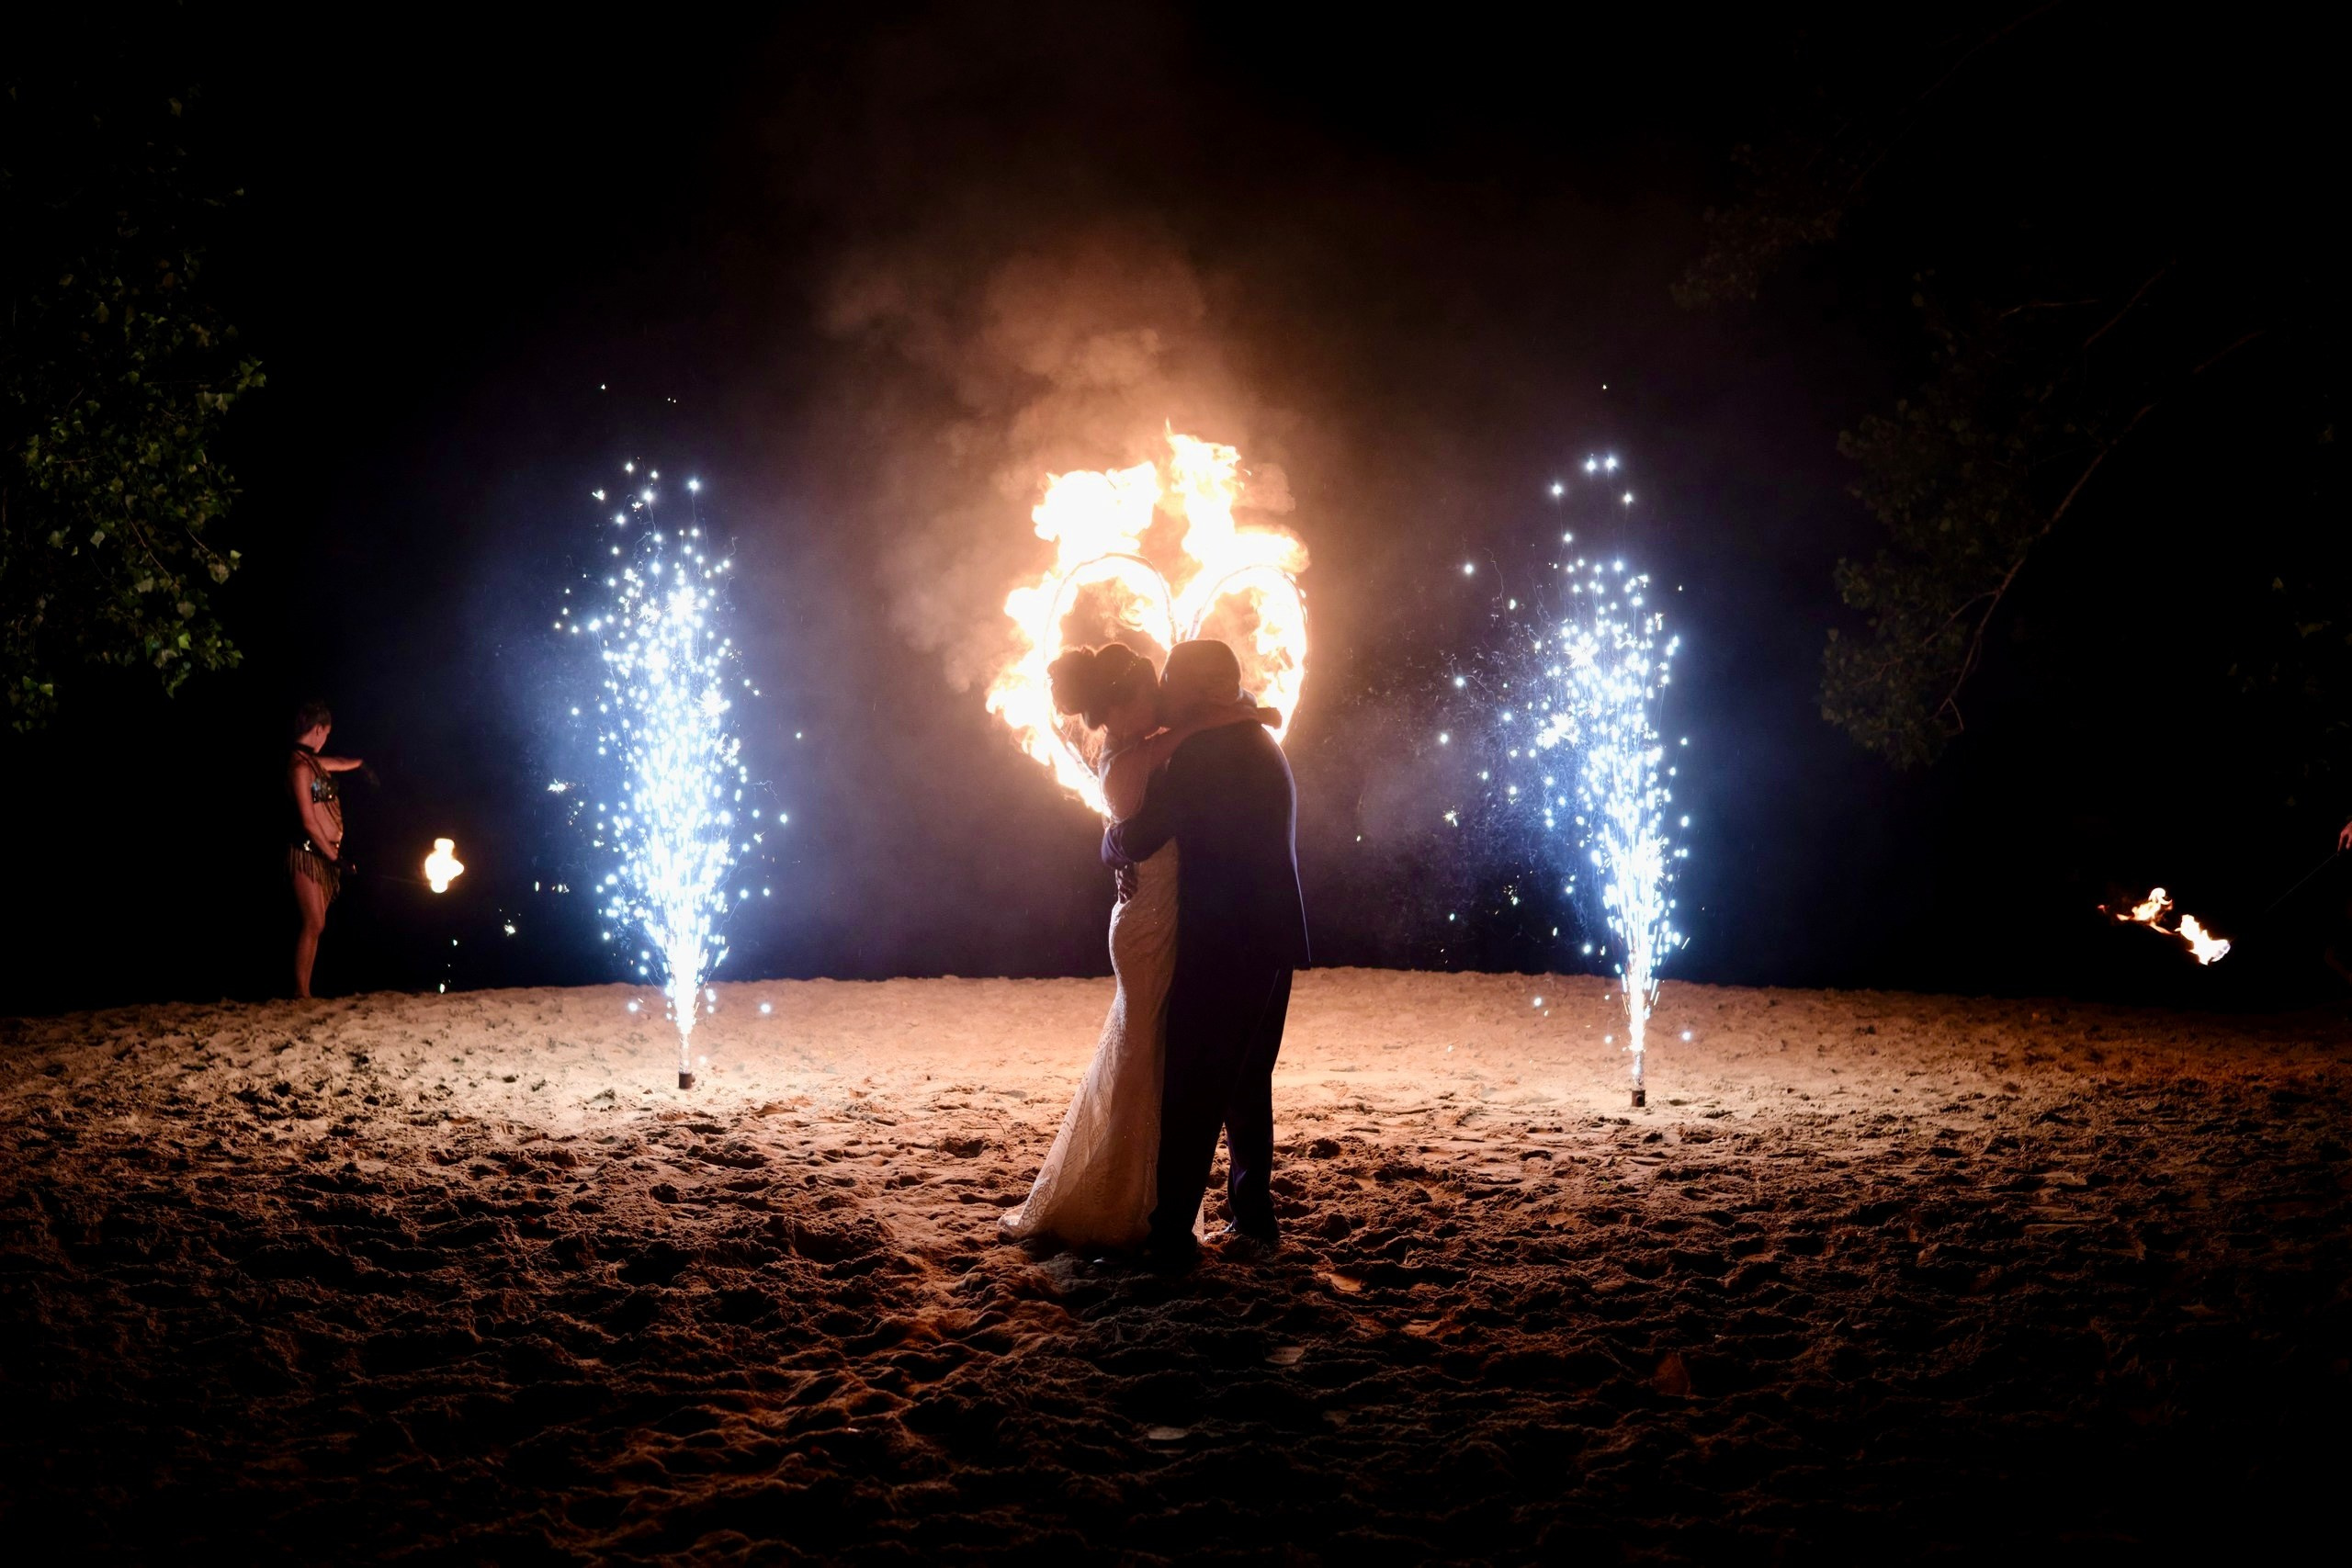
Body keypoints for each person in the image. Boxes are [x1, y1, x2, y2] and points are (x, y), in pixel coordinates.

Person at [998, 644, 1274, 1253]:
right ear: (1122, 708)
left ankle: (1160, 1207)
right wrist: (1236, 712)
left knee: (1166, 1064)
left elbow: (1145, 815)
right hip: (1155, 926)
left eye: (1165, 692)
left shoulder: (1171, 745)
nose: (1163, 704)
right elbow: (1136, 827)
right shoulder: (1155, 749)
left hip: (1179, 922)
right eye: (1153, 694)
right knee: (1160, 1063)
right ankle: (1146, 1204)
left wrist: (1238, 711)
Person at [1104, 638, 1310, 1271]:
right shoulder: (1259, 740)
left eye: (1173, 678)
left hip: (1225, 938)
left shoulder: (1204, 752)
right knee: (1247, 1080)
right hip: (1274, 934)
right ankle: (1253, 1218)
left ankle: (1169, 1235)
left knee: (1192, 1084)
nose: (1163, 687)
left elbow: (1141, 833)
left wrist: (1111, 844)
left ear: (1197, 689)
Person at [288, 698, 363, 999]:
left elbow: (342, 763)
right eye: (327, 734)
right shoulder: (298, 767)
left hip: (324, 854)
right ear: (318, 729)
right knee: (314, 921)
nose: (327, 740)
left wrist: (366, 765)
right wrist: (336, 857)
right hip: (307, 853)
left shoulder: (313, 762)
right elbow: (307, 821)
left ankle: (303, 990)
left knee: (317, 923)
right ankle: (301, 992)